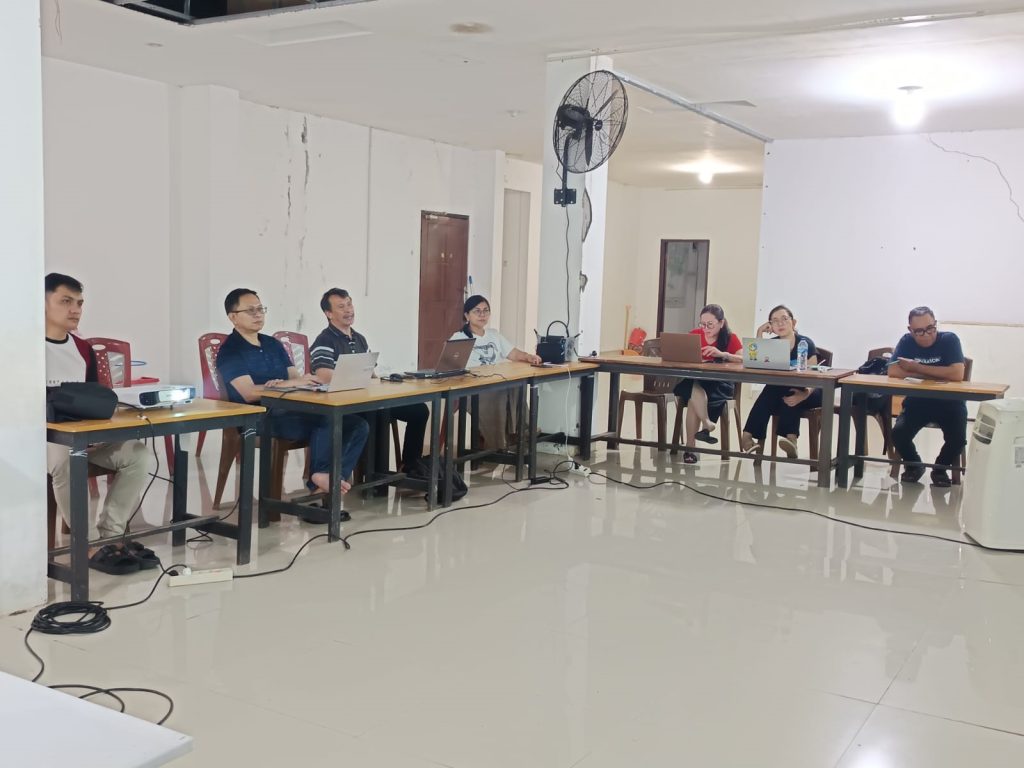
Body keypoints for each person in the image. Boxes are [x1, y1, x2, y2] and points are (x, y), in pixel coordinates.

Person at [44, 272, 157, 575]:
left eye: (79, 303)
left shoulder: (82, 350)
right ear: (41, 303)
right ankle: (87, 544)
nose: (75, 309)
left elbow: (93, 400)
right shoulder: (26, 348)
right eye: (65, 301)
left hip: (85, 437)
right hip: (44, 442)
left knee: (137, 453)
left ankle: (112, 535)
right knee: (66, 458)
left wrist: (98, 431)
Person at [215, 288, 369, 501]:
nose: (258, 314)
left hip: (290, 410)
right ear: (233, 317)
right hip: (259, 418)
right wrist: (284, 385)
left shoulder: (272, 344)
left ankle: (324, 482)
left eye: (260, 309)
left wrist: (307, 382)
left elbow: (295, 377)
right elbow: (248, 393)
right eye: (250, 311)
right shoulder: (230, 351)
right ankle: (321, 482)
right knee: (327, 420)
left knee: (358, 424)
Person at [310, 288, 430, 477]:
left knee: (419, 410)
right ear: (329, 313)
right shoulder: (324, 340)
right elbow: (324, 376)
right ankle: (373, 477)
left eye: (349, 304)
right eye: (341, 307)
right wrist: (358, 378)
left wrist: (381, 381)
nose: (348, 310)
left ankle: (410, 464)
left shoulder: (359, 339)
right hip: (345, 405)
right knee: (377, 415)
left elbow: (370, 374)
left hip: (367, 399)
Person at [449, 295, 541, 450]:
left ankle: (522, 432)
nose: (482, 315)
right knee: (502, 392)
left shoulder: (493, 335)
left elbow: (513, 353)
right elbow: (450, 365)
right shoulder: (459, 337)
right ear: (467, 315)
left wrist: (528, 357)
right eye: (477, 311)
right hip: (473, 389)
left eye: (486, 311)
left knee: (517, 386)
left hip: (495, 383)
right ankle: (500, 443)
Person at [888, 306, 966, 487]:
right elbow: (893, 370)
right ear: (910, 330)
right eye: (919, 331)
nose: (927, 335)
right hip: (918, 401)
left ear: (935, 323)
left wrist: (916, 368)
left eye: (930, 328)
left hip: (950, 403)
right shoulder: (907, 341)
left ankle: (939, 468)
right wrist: (938, 373)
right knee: (898, 434)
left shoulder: (950, 340)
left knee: (957, 440)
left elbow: (957, 374)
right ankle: (914, 466)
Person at [739, 304, 820, 458]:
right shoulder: (772, 345)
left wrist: (803, 395)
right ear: (771, 326)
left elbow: (815, 377)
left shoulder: (805, 343)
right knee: (775, 389)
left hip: (810, 391)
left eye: (784, 319)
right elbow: (756, 363)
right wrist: (759, 332)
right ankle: (789, 440)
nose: (780, 323)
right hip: (782, 392)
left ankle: (749, 435)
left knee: (787, 389)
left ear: (793, 322)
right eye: (775, 321)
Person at [671, 304, 744, 464]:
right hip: (696, 378)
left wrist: (723, 354)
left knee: (692, 398)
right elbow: (681, 355)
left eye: (710, 324)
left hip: (720, 383)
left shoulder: (730, 338)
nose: (705, 328)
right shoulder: (695, 335)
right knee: (692, 387)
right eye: (702, 324)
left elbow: (744, 359)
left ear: (721, 323)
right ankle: (705, 423)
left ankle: (690, 449)